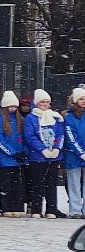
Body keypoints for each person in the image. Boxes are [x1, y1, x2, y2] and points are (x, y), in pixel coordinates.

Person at [26, 88, 65, 218]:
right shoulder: (31, 118)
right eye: (42, 102)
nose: (45, 105)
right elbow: (30, 136)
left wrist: (56, 148)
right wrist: (42, 149)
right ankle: (36, 209)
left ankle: (51, 209)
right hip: (37, 156)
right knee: (37, 184)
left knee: (51, 184)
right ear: (36, 103)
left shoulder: (55, 117)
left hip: (54, 155)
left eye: (47, 102)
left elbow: (60, 134)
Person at [0, 91, 28, 217]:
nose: (13, 109)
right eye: (10, 106)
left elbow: (25, 137)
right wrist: (12, 152)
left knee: (18, 184)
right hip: (4, 158)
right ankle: (5, 207)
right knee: (5, 184)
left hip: (18, 158)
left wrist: (23, 152)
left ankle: (17, 207)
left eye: (15, 107)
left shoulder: (20, 120)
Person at [64, 87, 85, 217]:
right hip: (73, 154)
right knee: (74, 183)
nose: (84, 101)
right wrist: (80, 152)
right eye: (81, 99)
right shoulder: (69, 117)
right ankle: (75, 210)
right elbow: (70, 136)